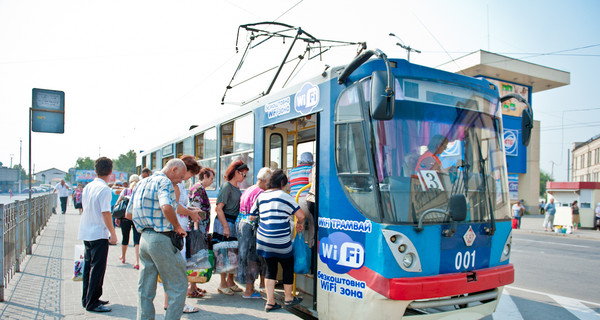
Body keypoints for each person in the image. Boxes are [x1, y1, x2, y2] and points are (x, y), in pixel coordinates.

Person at [125, 159, 189, 320]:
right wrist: (177, 226)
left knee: (145, 288)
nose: (181, 181)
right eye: (181, 177)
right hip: (161, 239)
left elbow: (128, 214)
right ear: (173, 169)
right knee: (179, 285)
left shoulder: (141, 183)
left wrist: (146, 222)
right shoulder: (164, 182)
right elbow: (166, 206)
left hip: (144, 239)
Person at [251, 169, 306, 312]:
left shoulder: (261, 196)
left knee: (271, 268)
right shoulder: (285, 196)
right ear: (282, 183)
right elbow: (301, 215)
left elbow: (252, 216)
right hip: (280, 240)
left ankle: (270, 302)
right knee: (287, 266)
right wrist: (299, 223)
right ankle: (288, 299)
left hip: (263, 240)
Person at [77, 157, 118, 313]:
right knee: (98, 269)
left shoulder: (89, 186)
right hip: (98, 233)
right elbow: (106, 213)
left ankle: (87, 298)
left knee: (88, 267)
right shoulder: (105, 189)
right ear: (110, 172)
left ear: (95, 170)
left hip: (87, 231)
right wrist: (113, 233)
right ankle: (93, 302)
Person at [163, 155, 202, 313]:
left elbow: (180, 206)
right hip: (178, 230)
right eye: (190, 174)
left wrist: (191, 210)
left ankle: (169, 302)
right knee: (178, 269)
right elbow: (175, 208)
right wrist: (191, 213)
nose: (189, 178)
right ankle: (178, 304)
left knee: (173, 269)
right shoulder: (176, 186)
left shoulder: (179, 186)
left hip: (179, 229)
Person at [237, 167, 272, 299]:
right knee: (253, 259)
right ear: (264, 180)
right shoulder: (260, 193)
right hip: (251, 228)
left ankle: (250, 287)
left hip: (242, 225)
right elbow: (260, 214)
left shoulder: (249, 189)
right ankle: (249, 290)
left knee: (245, 257)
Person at [214, 160, 248, 295]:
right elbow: (219, 208)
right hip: (225, 222)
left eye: (245, 175)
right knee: (224, 253)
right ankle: (222, 284)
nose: (244, 177)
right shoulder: (226, 187)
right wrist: (225, 226)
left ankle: (230, 281)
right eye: (243, 174)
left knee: (232, 252)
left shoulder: (236, 188)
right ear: (235, 172)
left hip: (232, 222)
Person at [188, 166, 215, 296]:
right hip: (198, 229)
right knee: (197, 257)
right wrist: (197, 230)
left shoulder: (198, 188)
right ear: (204, 176)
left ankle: (194, 285)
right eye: (211, 178)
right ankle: (191, 288)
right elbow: (195, 210)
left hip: (200, 228)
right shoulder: (198, 189)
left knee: (196, 257)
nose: (212, 181)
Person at [115, 174, 141, 269]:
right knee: (137, 240)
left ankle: (123, 257)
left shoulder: (125, 190)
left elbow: (118, 203)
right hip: (136, 218)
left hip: (125, 217)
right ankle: (137, 261)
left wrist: (117, 217)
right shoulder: (139, 190)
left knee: (125, 238)